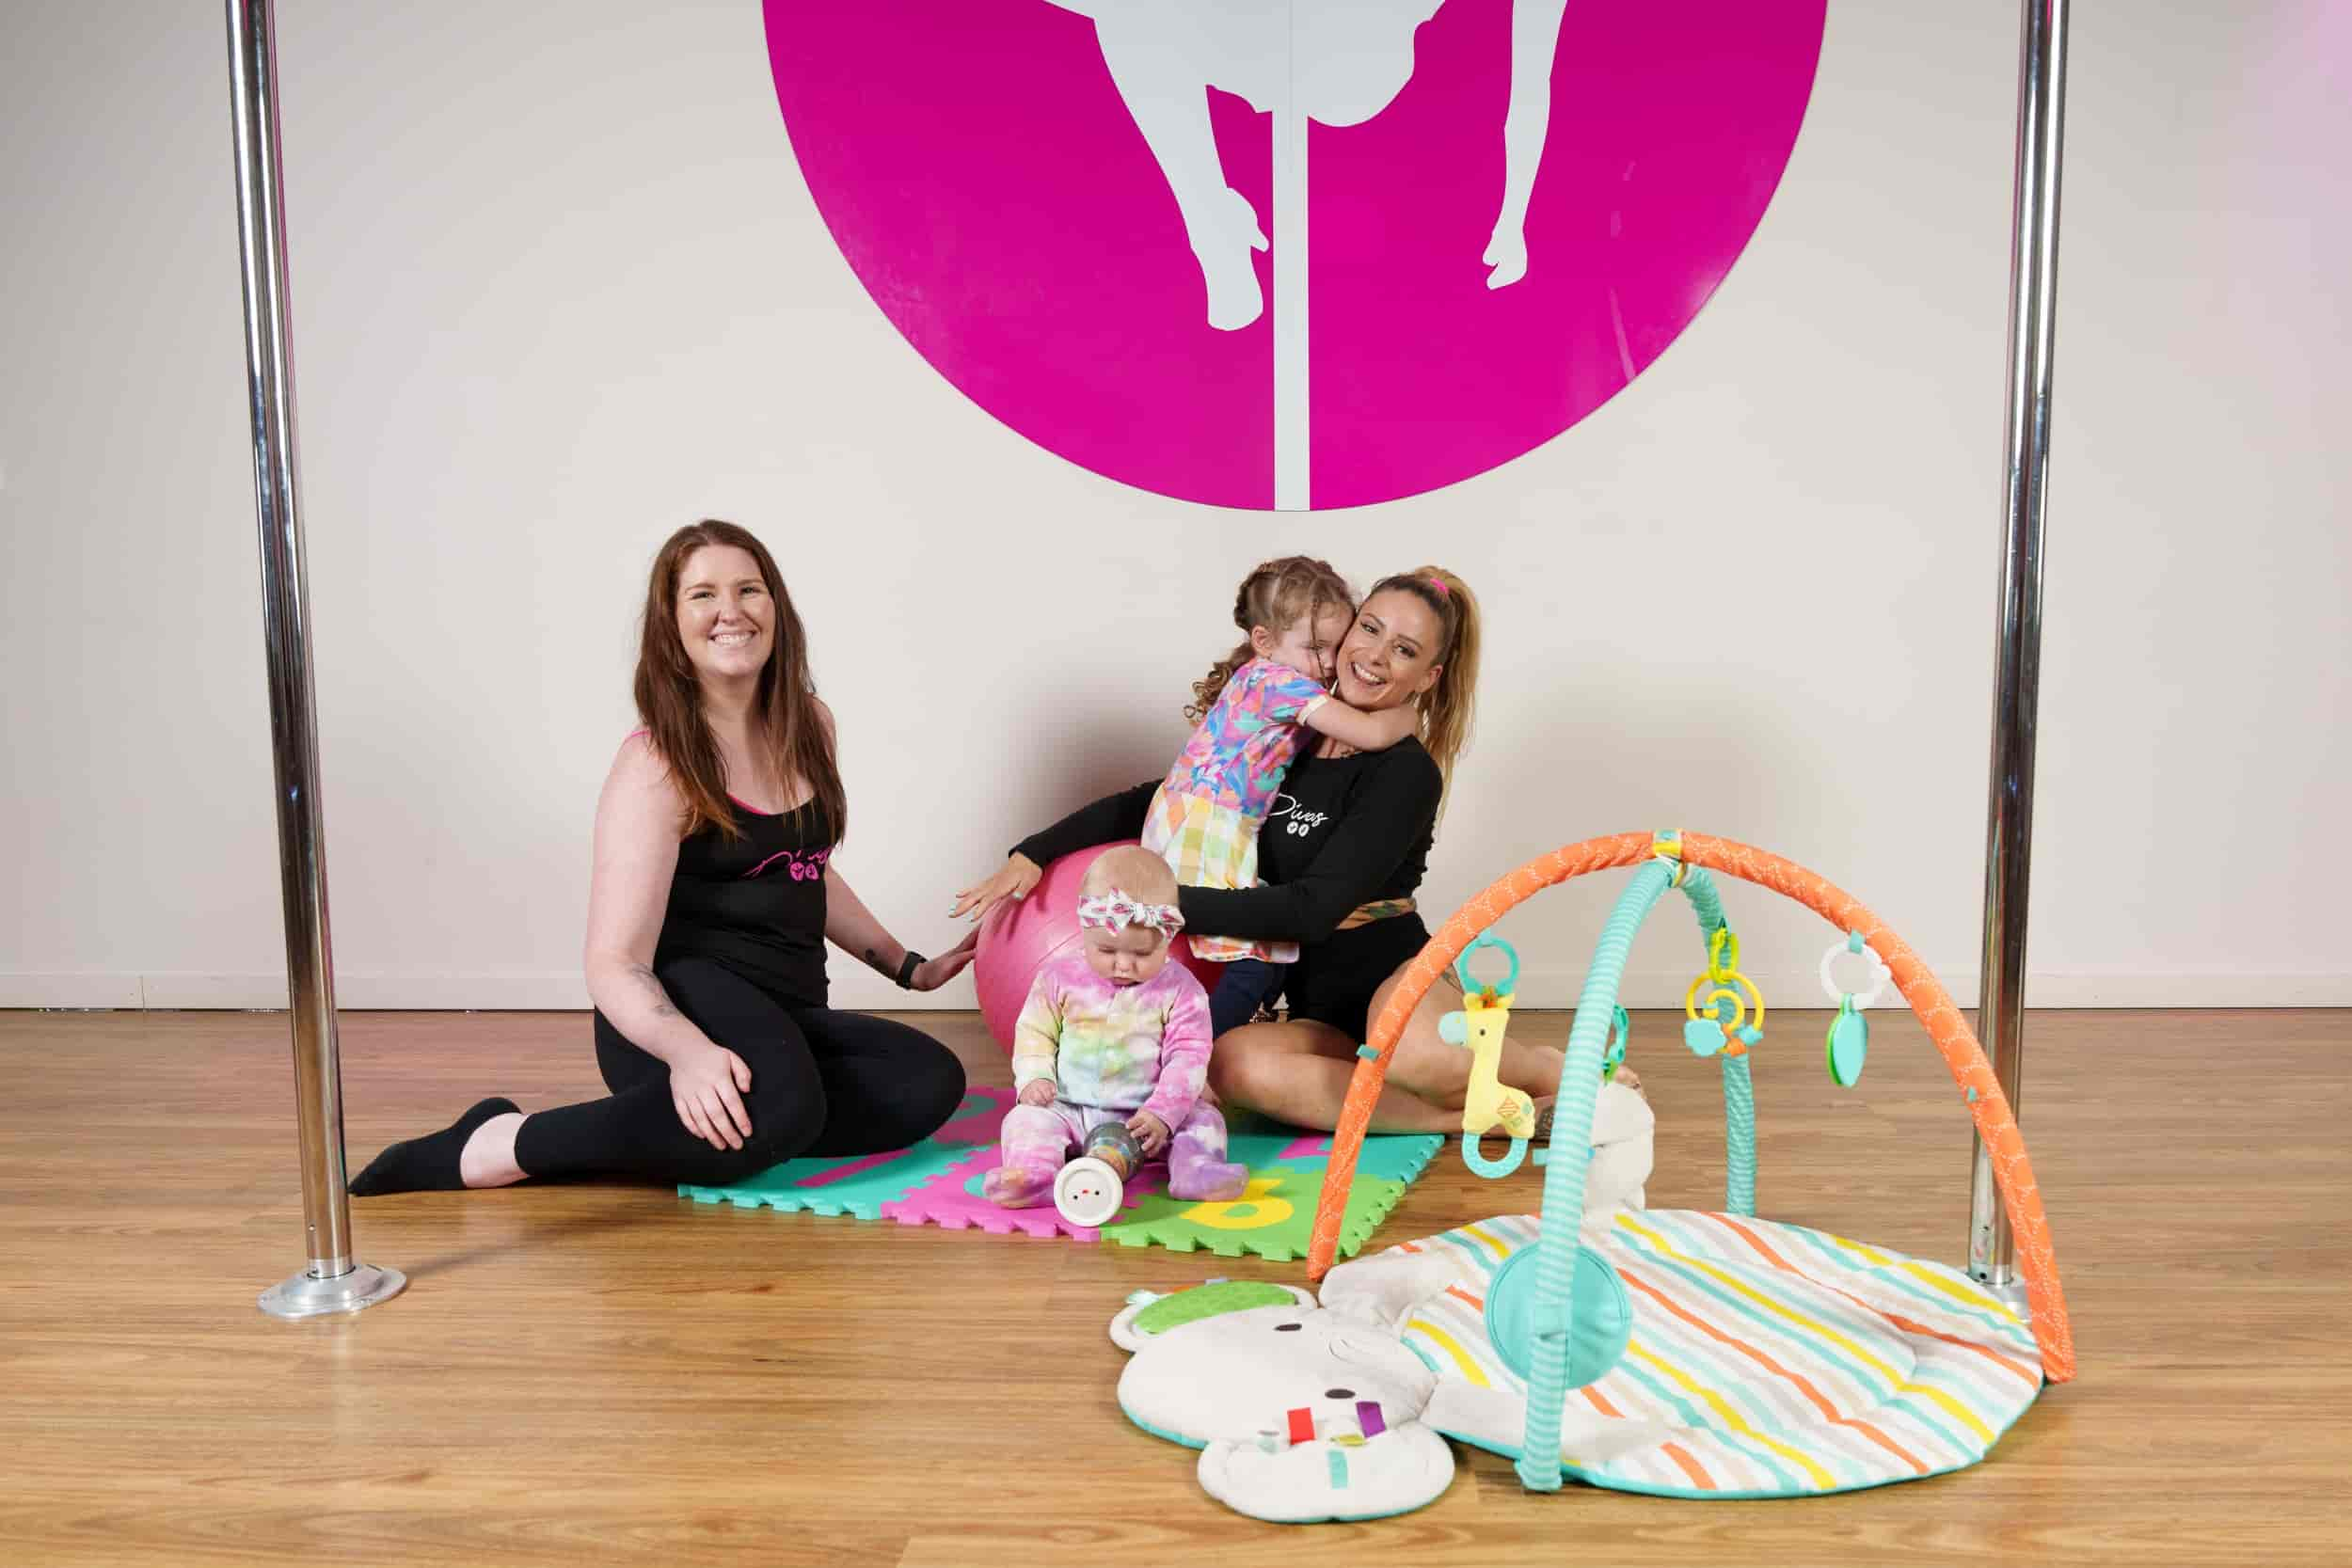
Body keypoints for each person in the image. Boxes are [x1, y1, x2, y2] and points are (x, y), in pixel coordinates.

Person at [351, 521, 972, 1196]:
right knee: (786, 1110)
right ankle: (502, 1142)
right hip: (677, 1009)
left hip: (783, 1015)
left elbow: (804, 862)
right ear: (672, 626)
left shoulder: (810, 725)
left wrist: (907, 966)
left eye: (749, 589)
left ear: (777, 609)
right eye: (703, 595)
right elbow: (613, 963)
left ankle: (754, 1108)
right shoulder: (657, 766)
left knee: (929, 1082)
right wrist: (688, 1051)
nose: (730, 611)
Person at [957, 567, 1594, 1135]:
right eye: (1368, 629)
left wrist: (1155, 908)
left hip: (1392, 975)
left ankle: (1553, 1069)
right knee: (1231, 1062)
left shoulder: (1405, 771)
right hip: (1319, 1009)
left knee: (1414, 1052)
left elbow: (1313, 910)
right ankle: (1457, 1120)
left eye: (1403, 650)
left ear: (1427, 677)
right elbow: (1169, 796)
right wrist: (1035, 852)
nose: (1373, 656)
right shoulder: (1290, 737)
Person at [1150, 555, 1420, 1040]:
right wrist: (1409, 717)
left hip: (1203, 818)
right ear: (1264, 641)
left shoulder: (1268, 679)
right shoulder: (1280, 683)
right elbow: (1370, 732)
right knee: (1254, 965)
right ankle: (1185, 1061)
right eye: (1315, 647)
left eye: (1334, 647)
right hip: (1208, 826)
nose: (1328, 662)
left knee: (1265, 964)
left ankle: (1200, 1046)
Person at [985, 846, 1248, 1208]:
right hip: (1068, 1107)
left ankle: (1195, 1170)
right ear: (1084, 929)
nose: (1123, 965)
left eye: (1142, 954)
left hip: (1145, 1118)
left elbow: (1188, 1055)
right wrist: (1034, 1079)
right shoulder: (1058, 977)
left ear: (1168, 939)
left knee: (1204, 1119)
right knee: (1024, 1120)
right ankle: (1033, 1175)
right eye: (1107, 951)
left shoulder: (1182, 990)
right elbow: (1035, 1033)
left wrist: (1163, 1113)